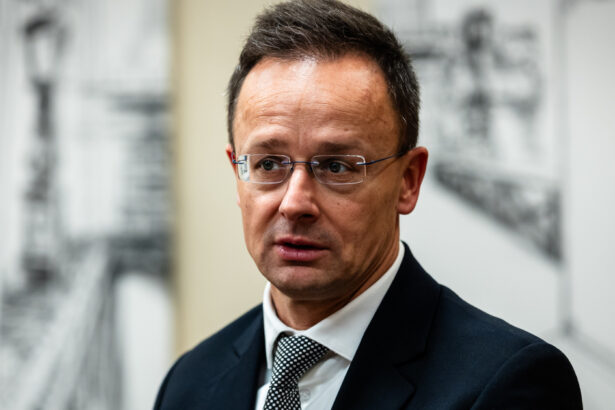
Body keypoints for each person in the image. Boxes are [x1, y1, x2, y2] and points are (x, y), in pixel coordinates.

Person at [154, 0, 582, 408]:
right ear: (237, 172)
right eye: (268, 164)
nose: (295, 203)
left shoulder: (508, 384)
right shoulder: (189, 381)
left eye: (336, 166)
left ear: (408, 181)